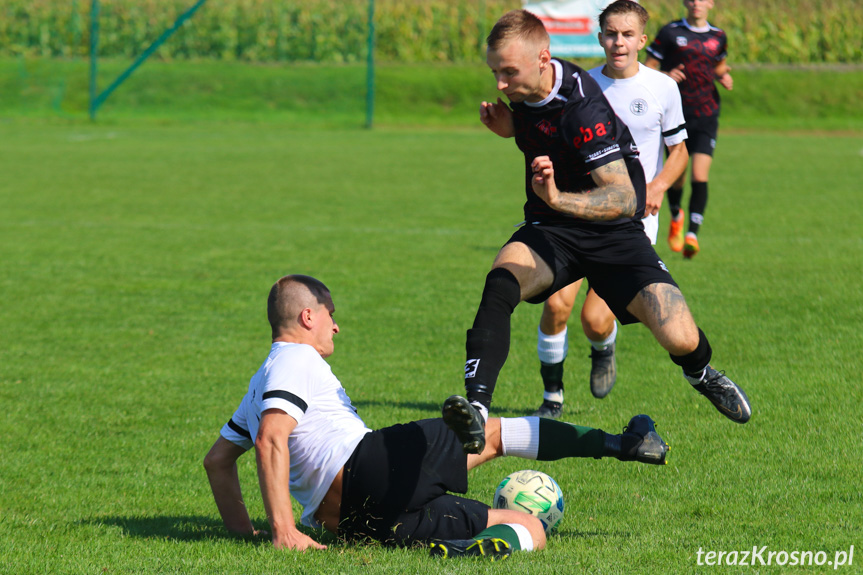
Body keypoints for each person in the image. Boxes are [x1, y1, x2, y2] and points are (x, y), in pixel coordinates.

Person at [444, 9, 750, 456]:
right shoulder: (531, 90)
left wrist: (556, 198)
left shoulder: (583, 109)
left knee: (681, 338)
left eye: (508, 72)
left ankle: (701, 373)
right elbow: (535, 124)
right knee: (502, 280)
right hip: (553, 230)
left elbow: (625, 198)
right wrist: (511, 128)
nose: (501, 85)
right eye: (496, 72)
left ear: (543, 58)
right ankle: (476, 408)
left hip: (614, 233)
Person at [203, 274, 671, 560]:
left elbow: (218, 461)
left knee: (529, 528)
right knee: (492, 435)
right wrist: (282, 532)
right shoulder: (295, 360)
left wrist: (242, 531)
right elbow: (270, 439)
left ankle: (470, 547)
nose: (336, 326)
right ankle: (619, 444)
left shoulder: (259, 383)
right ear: (308, 317)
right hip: (371, 467)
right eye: (330, 316)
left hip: (351, 523)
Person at [533, 0, 690, 419]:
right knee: (555, 305)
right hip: (576, 215)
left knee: (595, 320)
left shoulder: (662, 88)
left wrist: (656, 186)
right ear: (599, 36)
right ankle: (552, 398)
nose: (617, 42)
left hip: (631, 222)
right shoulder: (580, 85)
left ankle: (604, 348)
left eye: (626, 35)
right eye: (610, 33)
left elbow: (679, 152)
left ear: (641, 39)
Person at [645, 0, 733, 259]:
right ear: (686, 3)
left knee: (700, 175)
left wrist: (723, 75)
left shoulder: (718, 36)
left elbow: (718, 66)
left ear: (710, 4)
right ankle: (676, 215)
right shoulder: (670, 32)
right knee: (678, 175)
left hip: (707, 114)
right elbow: (648, 67)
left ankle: (692, 234)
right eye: (691, 0)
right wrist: (666, 74)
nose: (696, 4)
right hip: (675, 115)